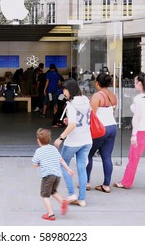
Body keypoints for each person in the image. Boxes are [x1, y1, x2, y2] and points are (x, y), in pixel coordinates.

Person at [53, 78, 92, 207]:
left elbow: (73, 125)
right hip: (87, 139)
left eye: (65, 89)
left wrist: (60, 138)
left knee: (63, 165)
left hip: (74, 141)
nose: (63, 92)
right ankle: (81, 199)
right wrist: (69, 120)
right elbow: (80, 118)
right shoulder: (85, 100)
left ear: (70, 90)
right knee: (82, 168)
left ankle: (71, 193)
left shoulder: (71, 104)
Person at [32, 128, 74, 221]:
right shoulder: (53, 148)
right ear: (49, 139)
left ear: (38, 141)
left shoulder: (39, 151)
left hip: (48, 176)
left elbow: (34, 164)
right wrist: (68, 169)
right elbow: (61, 160)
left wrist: (40, 164)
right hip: (57, 175)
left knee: (45, 194)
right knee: (52, 190)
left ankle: (50, 214)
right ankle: (63, 202)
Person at [86, 73, 117, 193]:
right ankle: (106, 185)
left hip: (100, 129)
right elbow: (112, 109)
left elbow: (91, 115)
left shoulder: (96, 96)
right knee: (107, 156)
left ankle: (87, 182)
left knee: (88, 154)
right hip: (112, 127)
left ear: (97, 83)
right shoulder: (113, 96)